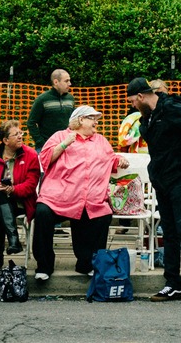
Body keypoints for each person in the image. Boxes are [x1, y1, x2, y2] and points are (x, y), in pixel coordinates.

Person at [127, 77, 181, 301]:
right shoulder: (148, 116)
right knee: (169, 232)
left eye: (133, 102)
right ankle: (172, 283)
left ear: (141, 96)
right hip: (161, 179)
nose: (132, 107)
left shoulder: (172, 108)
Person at [31, 106, 126, 283]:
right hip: (58, 196)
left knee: (103, 215)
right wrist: (64, 144)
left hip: (87, 198)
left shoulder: (101, 141)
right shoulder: (60, 136)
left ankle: (87, 263)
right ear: (81, 120)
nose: (96, 122)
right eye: (92, 118)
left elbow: (110, 159)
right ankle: (44, 266)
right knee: (42, 212)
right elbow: (44, 160)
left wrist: (119, 160)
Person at [0, 120, 39, 260]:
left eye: (20, 133)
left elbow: (31, 184)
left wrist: (12, 189)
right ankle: (13, 240)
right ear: (5, 140)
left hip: (20, 201)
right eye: (16, 134)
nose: (20, 136)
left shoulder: (30, 155)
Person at [28, 69, 76, 148]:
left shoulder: (70, 99)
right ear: (56, 82)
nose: (70, 84)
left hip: (67, 145)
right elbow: (31, 123)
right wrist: (40, 142)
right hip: (47, 146)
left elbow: (73, 120)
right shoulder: (42, 99)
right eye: (66, 81)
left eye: (69, 81)